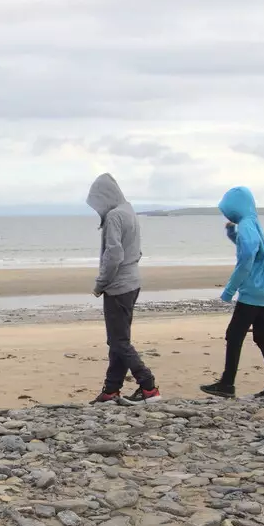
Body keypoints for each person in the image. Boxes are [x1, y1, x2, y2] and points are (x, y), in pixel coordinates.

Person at [201, 186, 264, 399]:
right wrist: (232, 234)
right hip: (263, 290)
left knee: (234, 335)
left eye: (227, 209)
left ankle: (227, 384)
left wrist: (230, 289)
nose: (225, 213)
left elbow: (247, 256)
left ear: (236, 207)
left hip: (252, 291)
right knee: (262, 337)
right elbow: (250, 248)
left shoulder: (248, 225)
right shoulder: (251, 223)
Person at [87, 173, 160, 404]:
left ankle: (148, 386)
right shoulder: (129, 211)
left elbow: (114, 254)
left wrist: (101, 283)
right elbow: (135, 251)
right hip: (131, 283)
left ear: (105, 197)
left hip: (118, 286)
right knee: (118, 340)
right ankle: (111, 390)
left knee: (119, 342)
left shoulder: (115, 216)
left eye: (97, 202)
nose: (97, 208)